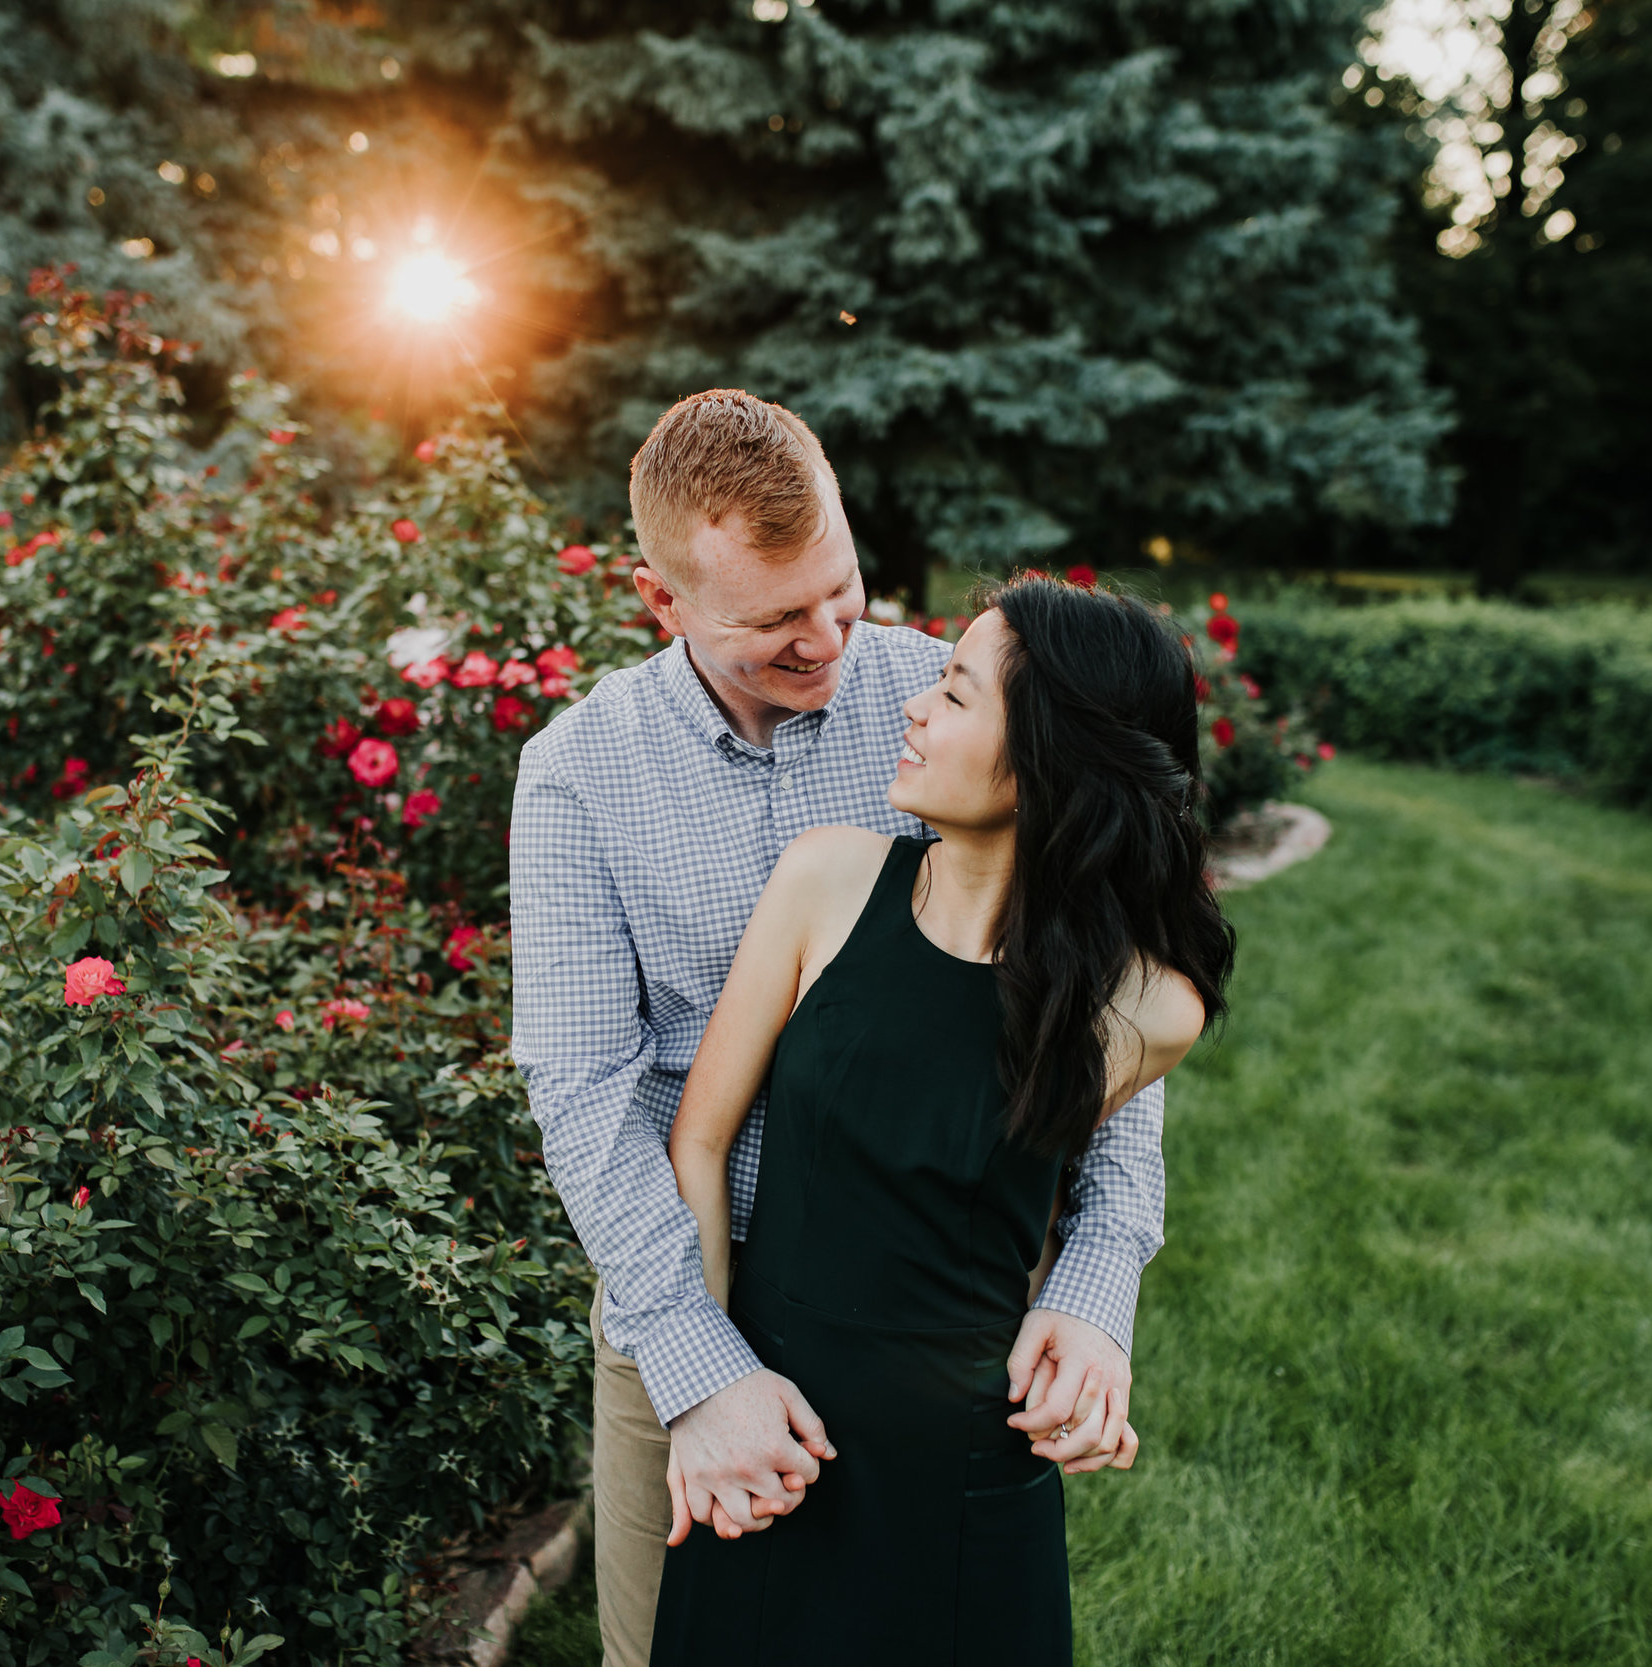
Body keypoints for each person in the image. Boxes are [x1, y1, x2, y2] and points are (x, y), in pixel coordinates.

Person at [509, 391, 1174, 1667]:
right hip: (684, 1282)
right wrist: (701, 1373)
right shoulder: (579, 776)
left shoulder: (958, 703)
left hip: (936, 1292)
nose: (827, 639)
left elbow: (1102, 1007)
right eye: (771, 620)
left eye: (842, 590)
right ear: (663, 605)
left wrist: (1094, 1287)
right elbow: (587, 1094)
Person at [651, 578, 1233, 1662]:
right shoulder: (826, 879)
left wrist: (1093, 1310)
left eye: (957, 695)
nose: (916, 709)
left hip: (966, 1477)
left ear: (1047, 760)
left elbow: (1087, 1182)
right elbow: (699, 1139)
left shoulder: (1149, 1005)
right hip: (774, 1440)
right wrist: (715, 1381)